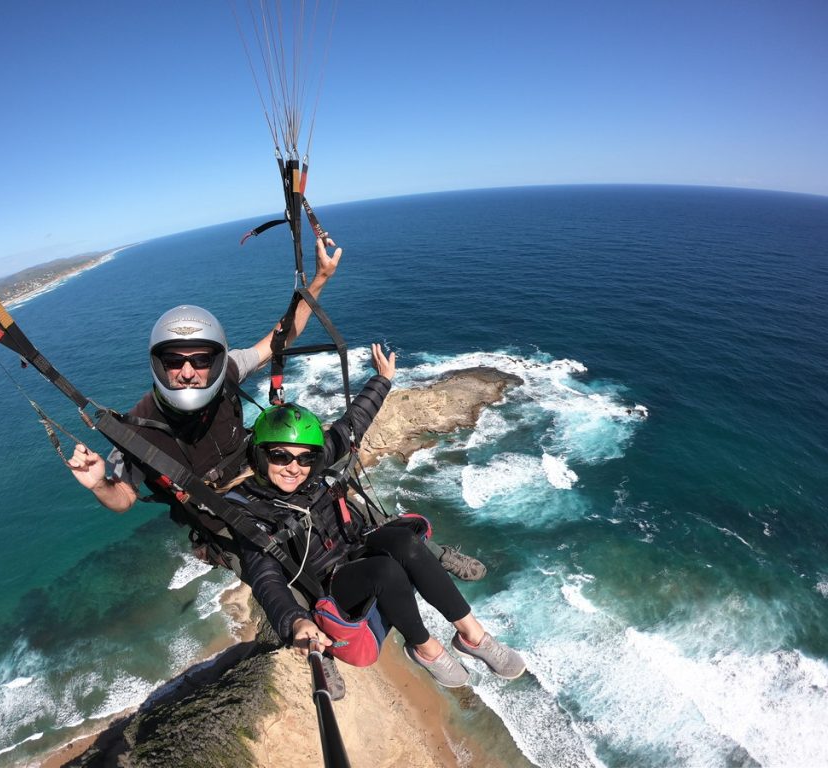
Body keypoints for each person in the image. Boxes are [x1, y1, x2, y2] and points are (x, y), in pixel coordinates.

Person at [66, 236, 486, 580]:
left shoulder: (227, 371)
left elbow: (277, 340)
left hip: (258, 471)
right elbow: (123, 496)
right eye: (176, 362)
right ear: (160, 365)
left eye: (200, 360)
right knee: (278, 565)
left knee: (336, 495)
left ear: (215, 360)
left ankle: (429, 550)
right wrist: (100, 484)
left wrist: (319, 280)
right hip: (221, 513)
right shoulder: (138, 427)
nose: (190, 372)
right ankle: (317, 630)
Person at [233, 344, 527, 692]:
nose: (294, 467)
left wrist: (383, 380)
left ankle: (473, 636)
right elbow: (265, 577)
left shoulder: (313, 468)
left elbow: (351, 424)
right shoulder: (250, 509)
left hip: (356, 544)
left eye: (304, 458)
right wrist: (293, 621)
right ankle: (426, 649)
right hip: (330, 580)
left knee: (406, 540)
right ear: (259, 454)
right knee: (386, 571)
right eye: (279, 456)